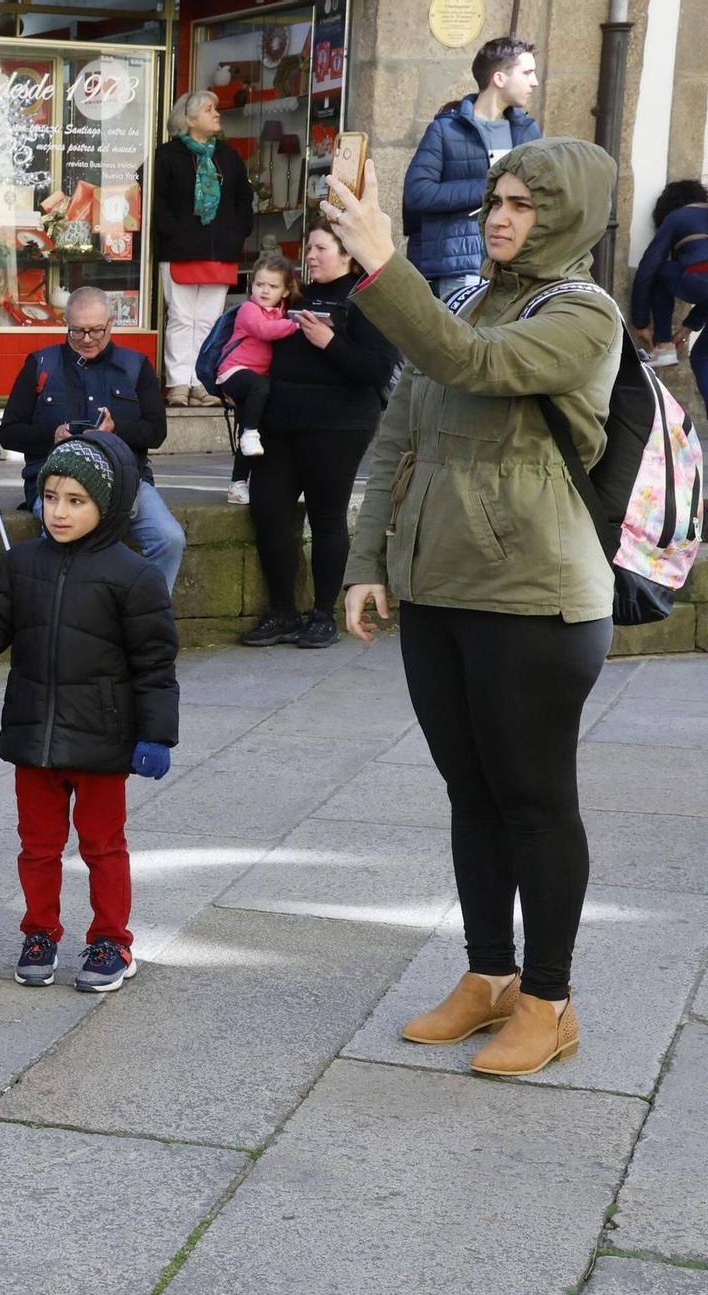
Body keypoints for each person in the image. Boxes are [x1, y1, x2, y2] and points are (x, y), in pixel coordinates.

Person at [329, 139, 620, 1079]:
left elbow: (475, 363)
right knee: (472, 794)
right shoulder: (456, 297)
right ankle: (489, 975)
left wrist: (380, 258)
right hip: (437, 587)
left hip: (536, 597)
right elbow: (395, 438)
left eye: (525, 205)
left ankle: (550, 998)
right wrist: (366, 559)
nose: (500, 217)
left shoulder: (584, 316)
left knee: (534, 800)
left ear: (567, 217)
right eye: (495, 200)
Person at [0, 434, 178, 992]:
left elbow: (155, 664)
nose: (59, 511)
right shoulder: (21, 564)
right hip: (35, 736)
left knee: (102, 846)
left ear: (108, 505)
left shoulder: (135, 576)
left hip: (102, 740)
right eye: (51, 497)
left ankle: (111, 942)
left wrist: (156, 735)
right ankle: (40, 932)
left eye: (76, 500)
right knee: (38, 846)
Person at [240, 224, 399, 649]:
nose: (309, 256)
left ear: (347, 255)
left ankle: (323, 614)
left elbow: (377, 369)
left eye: (320, 248)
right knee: (269, 511)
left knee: (327, 517)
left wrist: (330, 342)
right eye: (308, 247)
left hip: (338, 426)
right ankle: (282, 611)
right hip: (282, 422)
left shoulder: (366, 299)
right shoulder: (295, 295)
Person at [0, 288, 187, 594]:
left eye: (96, 331)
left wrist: (116, 431)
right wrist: (52, 435)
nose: (87, 339)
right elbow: (8, 432)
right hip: (57, 483)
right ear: (65, 323)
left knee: (170, 538)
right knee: (67, 547)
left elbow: (156, 431)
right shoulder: (41, 363)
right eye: (78, 331)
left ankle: (148, 617)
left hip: (125, 480)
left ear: (111, 324)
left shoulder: (135, 365)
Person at [402, 35, 541, 300]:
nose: (534, 82)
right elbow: (417, 193)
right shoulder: (446, 129)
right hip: (461, 266)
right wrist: (491, 188)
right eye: (527, 73)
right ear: (499, 79)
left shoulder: (527, 131)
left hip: (516, 265)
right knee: (459, 340)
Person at [152, 91, 252, 407]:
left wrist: (236, 234)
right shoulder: (166, 155)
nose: (216, 114)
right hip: (178, 250)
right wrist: (173, 233)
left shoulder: (229, 155)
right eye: (209, 109)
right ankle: (179, 382)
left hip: (220, 250)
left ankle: (203, 383)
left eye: (216, 108)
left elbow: (243, 200)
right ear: (189, 118)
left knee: (209, 319)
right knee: (181, 317)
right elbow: (157, 202)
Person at [212, 253, 302, 500]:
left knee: (252, 436)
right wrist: (297, 325)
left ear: (285, 291)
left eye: (272, 286)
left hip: (255, 383)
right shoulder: (248, 310)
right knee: (255, 415)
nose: (264, 291)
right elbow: (264, 331)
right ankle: (250, 432)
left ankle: (238, 484)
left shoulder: (282, 312)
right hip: (233, 371)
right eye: (259, 284)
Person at [629, 179, 708, 402]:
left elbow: (647, 270)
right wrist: (689, 326)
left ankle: (664, 346)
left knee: (659, 272)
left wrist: (641, 322)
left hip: (700, 278)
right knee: (702, 357)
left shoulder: (676, 217)